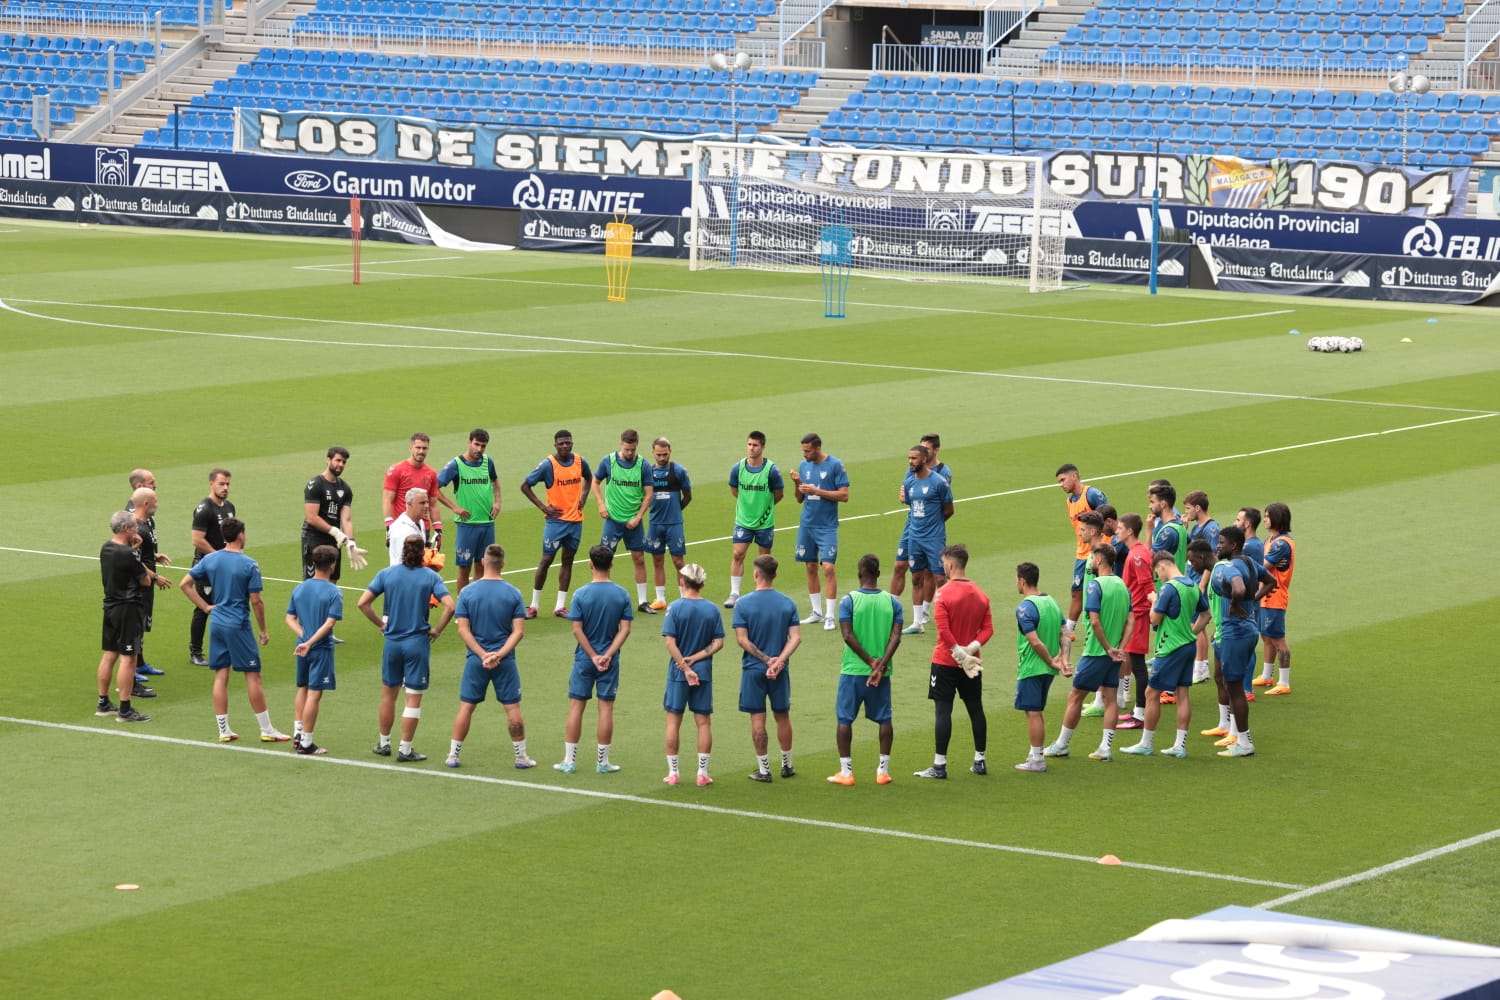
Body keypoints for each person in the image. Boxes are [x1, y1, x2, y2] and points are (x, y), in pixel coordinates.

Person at [180, 517, 290, 744]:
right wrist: (263, 630)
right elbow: (257, 601)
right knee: (253, 676)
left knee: (221, 675)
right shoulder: (249, 564)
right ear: (240, 535)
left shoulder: (211, 559)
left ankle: (224, 730)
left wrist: (206, 607)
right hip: (238, 625)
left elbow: (184, 584)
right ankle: (267, 729)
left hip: (217, 623)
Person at [358, 534, 455, 762]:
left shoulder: (387, 574)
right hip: (416, 644)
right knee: (413, 698)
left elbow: (362, 603)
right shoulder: (430, 577)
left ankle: (383, 744)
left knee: (388, 696)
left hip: (392, 643)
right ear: (423, 552)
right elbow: (450, 606)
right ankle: (405, 748)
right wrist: (437, 630)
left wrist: (381, 624)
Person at [446, 544, 534, 770]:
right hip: (505, 661)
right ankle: (521, 757)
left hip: (476, 660)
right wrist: (499, 654)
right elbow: (519, 632)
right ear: (503, 564)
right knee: (513, 708)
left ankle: (453, 755)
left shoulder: (467, 592)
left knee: (466, 707)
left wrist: (483, 654)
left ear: (483, 562)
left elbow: (463, 629)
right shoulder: (514, 593)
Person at [1045, 544, 1134, 763]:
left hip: (1096, 652)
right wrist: (1120, 648)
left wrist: (1107, 648)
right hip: (1115, 654)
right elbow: (1131, 621)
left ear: (1100, 560)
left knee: (1075, 696)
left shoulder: (1095, 585)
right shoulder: (1123, 585)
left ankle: (1062, 744)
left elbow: (1094, 621)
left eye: (1093, 559)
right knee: (1111, 699)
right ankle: (1105, 748)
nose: (1091, 563)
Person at [1120, 550, 1210, 758]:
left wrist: (1153, 599)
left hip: (1170, 647)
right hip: (1188, 646)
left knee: (1151, 693)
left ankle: (1146, 743)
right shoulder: (1192, 585)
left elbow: (1154, 619)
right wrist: (1190, 632)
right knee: (1183, 693)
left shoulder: (1169, 589)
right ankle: (1179, 746)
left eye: (1156, 573)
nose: (1157, 578)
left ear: (1162, 566)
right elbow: (1206, 615)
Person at [916, 543, 994, 778]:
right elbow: (988, 629)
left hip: (945, 662)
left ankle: (939, 765)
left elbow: (943, 628)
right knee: (976, 709)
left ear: (950, 564)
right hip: (973, 663)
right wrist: (971, 648)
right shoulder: (980, 594)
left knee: (943, 711)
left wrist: (957, 651)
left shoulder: (943, 593)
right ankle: (980, 760)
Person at [556, 545, 634, 774]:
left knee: (576, 706)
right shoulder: (621, 594)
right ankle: (602, 762)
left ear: (590, 565)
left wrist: (592, 655)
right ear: (611, 565)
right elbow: (625, 629)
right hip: (610, 660)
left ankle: (569, 761)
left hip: (584, 658)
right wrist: (607, 655)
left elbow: (577, 630)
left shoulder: (580, 594)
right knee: (606, 708)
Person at [829, 554, 903, 786]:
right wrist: (880, 665)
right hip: (882, 673)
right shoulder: (893, 602)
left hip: (853, 670)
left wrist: (870, 662)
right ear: (879, 574)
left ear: (860, 573)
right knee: (884, 719)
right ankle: (883, 771)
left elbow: (848, 636)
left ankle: (846, 772)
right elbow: (896, 637)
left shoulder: (848, 601)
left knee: (844, 719)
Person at [734, 554, 802, 782]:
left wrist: (765, 660)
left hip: (754, 669)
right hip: (780, 670)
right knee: (782, 715)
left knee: (757, 719)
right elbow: (795, 638)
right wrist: (779, 661)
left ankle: (764, 770)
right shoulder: (787, 603)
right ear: (775, 575)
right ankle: (787, 765)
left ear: (755, 574)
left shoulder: (742, 603)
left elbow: (742, 639)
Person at [1208, 526, 1275, 758]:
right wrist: (1252, 600)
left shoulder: (1232, 566)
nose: (1218, 546)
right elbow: (1270, 580)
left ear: (1233, 545)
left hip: (1234, 632)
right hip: (1249, 629)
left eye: (1222, 542)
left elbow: (1237, 587)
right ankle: (1237, 737)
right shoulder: (1249, 562)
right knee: (1232, 684)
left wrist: (1237, 604)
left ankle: (1244, 743)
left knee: (1234, 687)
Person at [660, 563, 724, 786]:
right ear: (702, 584)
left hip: (678, 672)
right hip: (703, 671)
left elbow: (670, 641)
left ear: (681, 581)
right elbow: (718, 643)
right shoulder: (712, 609)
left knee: (673, 721)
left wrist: (686, 667)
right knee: (703, 722)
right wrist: (696, 660)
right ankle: (702, 773)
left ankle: (673, 773)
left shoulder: (675, 608)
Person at [519, 429, 592, 620]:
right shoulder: (548, 465)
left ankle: (560, 606)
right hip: (556, 523)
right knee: (546, 561)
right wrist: (543, 507)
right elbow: (525, 486)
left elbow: (589, 477)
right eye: (562, 443)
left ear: (572, 443)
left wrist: (583, 497)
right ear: (555, 445)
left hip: (575, 521)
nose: (565, 446)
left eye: (568, 442)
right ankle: (533, 606)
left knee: (568, 561)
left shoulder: (579, 461)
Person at [285, 544, 343, 756]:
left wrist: (303, 637)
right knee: (314, 694)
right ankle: (307, 742)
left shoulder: (300, 588)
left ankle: (298, 733)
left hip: (302, 647)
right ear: (332, 565)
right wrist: (310, 642)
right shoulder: (334, 592)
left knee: (303, 688)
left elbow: (289, 618)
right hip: (320, 649)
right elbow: (329, 624)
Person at [790, 432, 850, 631]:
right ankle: (816, 612)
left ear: (817, 448)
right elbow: (799, 499)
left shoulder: (835, 465)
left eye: (807, 451)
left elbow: (844, 495)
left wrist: (818, 491)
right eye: (803, 451)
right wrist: (797, 484)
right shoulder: (803, 465)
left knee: (829, 568)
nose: (804, 455)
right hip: (807, 524)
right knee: (809, 567)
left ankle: (830, 615)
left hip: (827, 526)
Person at [591, 428, 655, 614]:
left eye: (632, 450)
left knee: (639, 558)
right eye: (626, 449)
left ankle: (643, 601)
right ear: (621, 444)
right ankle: (600, 598)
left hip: (633, 522)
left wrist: (638, 517)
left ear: (636, 445)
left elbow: (649, 494)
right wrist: (601, 504)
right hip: (612, 520)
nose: (629, 453)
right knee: (603, 559)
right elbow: (595, 482)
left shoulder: (643, 465)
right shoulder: (608, 461)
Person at [98, 511, 153, 723]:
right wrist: (136, 553)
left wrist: (133, 549)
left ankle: (103, 703)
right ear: (126, 529)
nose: (137, 529)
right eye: (134, 527)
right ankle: (124, 709)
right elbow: (145, 581)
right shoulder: (128, 554)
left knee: (109, 655)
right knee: (128, 659)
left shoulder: (106, 547)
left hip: (110, 606)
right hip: (128, 609)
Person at [1012, 562, 1066, 773]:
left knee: (1032, 712)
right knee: (1036, 711)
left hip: (1033, 667)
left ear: (1022, 581)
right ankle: (1035, 754)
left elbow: (1034, 642)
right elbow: (1065, 633)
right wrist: (1063, 659)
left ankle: (1037, 759)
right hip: (1047, 669)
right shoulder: (1051, 601)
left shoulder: (1025, 607)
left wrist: (1051, 661)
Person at [896, 444, 954, 636]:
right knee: (916, 577)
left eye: (913, 458)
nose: (910, 462)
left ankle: (946, 622)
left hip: (934, 538)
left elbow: (948, 510)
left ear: (923, 458)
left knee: (940, 578)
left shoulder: (938, 482)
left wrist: (934, 526)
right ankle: (917, 622)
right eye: (909, 458)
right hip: (915, 537)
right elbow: (912, 507)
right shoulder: (910, 483)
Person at [724, 430, 784, 609]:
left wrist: (763, 509)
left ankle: (762, 592)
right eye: (749, 444)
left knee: (764, 558)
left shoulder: (771, 470)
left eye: (755, 445)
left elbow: (779, 494)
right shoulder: (738, 468)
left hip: (764, 522)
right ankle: (734, 593)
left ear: (762, 447)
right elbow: (734, 490)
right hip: (743, 520)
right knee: (737, 554)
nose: (751, 448)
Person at [437, 429, 501, 593]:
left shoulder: (488, 462)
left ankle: (475, 605)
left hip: (487, 524)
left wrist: (497, 502)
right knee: (464, 569)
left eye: (483, 446)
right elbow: (435, 488)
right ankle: (463, 609)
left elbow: (495, 481)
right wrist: (454, 507)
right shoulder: (456, 465)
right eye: (476, 445)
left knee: (482, 566)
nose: (479, 449)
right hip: (467, 526)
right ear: (469, 442)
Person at [1056, 463, 1108, 659]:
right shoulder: (1069, 501)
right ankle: (1069, 629)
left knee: (1100, 589)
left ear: (1075, 476)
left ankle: (1101, 624)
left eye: (1063, 479)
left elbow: (1108, 516)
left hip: (1097, 552)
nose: (1061, 484)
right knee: (1076, 591)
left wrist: (1103, 546)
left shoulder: (1092, 494)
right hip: (1081, 553)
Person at [383, 432, 463, 555]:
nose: (421, 451)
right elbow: (388, 499)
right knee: (400, 565)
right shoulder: (396, 470)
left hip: (423, 529)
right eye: (418, 448)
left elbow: (433, 503)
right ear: (410, 448)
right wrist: (389, 526)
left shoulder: (431, 473)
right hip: (401, 528)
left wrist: (438, 529)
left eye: (424, 448)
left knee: (421, 567)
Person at [187, 467, 236, 666]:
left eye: (227, 484)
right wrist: (219, 558)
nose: (225, 488)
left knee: (225, 605)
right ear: (211, 484)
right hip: (206, 567)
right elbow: (197, 540)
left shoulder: (229, 507)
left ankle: (223, 647)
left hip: (223, 566)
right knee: (203, 608)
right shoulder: (204, 509)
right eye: (221, 484)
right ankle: (195, 651)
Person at [127, 484, 173, 692]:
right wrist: (155, 577)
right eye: (155, 501)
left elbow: (143, 553)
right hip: (139, 586)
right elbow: (134, 559)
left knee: (143, 623)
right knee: (135, 626)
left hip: (146, 584)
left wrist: (155, 556)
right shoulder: (136, 527)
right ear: (146, 504)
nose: (158, 503)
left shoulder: (146, 523)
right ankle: (131, 669)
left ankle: (139, 663)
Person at [1114, 512, 1154, 730]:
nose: (1117, 531)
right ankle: (1138, 710)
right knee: (1135, 663)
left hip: (1138, 615)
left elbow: (1148, 587)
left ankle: (1140, 714)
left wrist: (1150, 612)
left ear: (1129, 531)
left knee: (1138, 666)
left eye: (1120, 528)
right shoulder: (1138, 551)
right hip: (1136, 614)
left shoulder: (1137, 556)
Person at [303, 446, 366, 585]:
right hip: (315, 538)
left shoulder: (345, 489)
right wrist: (334, 531)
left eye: (344, 462)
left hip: (334, 541)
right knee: (313, 582)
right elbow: (311, 517)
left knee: (332, 580)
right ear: (328, 460)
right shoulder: (315, 485)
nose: (341, 465)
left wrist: (351, 542)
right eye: (338, 460)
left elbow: (346, 519)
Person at [645, 437, 693, 612]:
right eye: (659, 455)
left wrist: (676, 510)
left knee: (678, 561)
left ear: (670, 451)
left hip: (674, 524)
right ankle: (660, 599)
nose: (662, 458)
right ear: (653, 452)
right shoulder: (648, 472)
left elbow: (688, 496)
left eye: (665, 454)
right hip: (655, 523)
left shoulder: (679, 471)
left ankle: (684, 597)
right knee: (657, 560)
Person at [1256, 502, 1296, 696]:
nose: (1265, 519)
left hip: (1275, 594)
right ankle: (1266, 676)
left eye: (1268, 516)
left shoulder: (1281, 543)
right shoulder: (1270, 539)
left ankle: (1284, 682)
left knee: (1277, 638)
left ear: (1277, 518)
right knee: (1266, 636)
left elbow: (1262, 566)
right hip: (1265, 594)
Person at [1183, 490, 1220, 684]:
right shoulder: (1198, 527)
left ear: (1198, 508)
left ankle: (1200, 666)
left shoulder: (1211, 528)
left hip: (1200, 581)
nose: (1186, 512)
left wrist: (1203, 584)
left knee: (1196, 624)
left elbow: (1211, 557)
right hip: (1193, 577)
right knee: (1199, 624)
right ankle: (1202, 666)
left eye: (1188, 508)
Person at [386, 488, 432, 566]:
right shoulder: (402, 531)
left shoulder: (420, 522)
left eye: (427, 502)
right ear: (409, 504)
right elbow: (402, 563)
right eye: (422, 503)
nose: (427, 506)